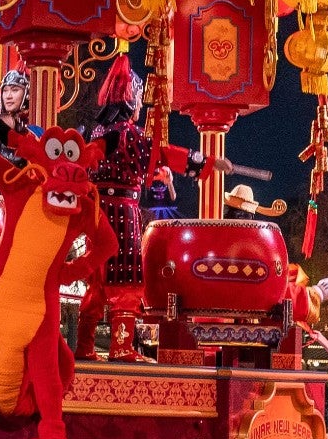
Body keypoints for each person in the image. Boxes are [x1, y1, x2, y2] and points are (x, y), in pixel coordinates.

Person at [75, 57, 226, 361]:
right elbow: (163, 153)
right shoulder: (128, 133)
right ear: (131, 100)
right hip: (122, 213)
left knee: (96, 279)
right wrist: (207, 162)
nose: (140, 109)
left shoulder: (99, 131)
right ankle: (121, 347)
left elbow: (134, 163)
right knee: (125, 278)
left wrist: (161, 173)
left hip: (97, 211)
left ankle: (84, 347)